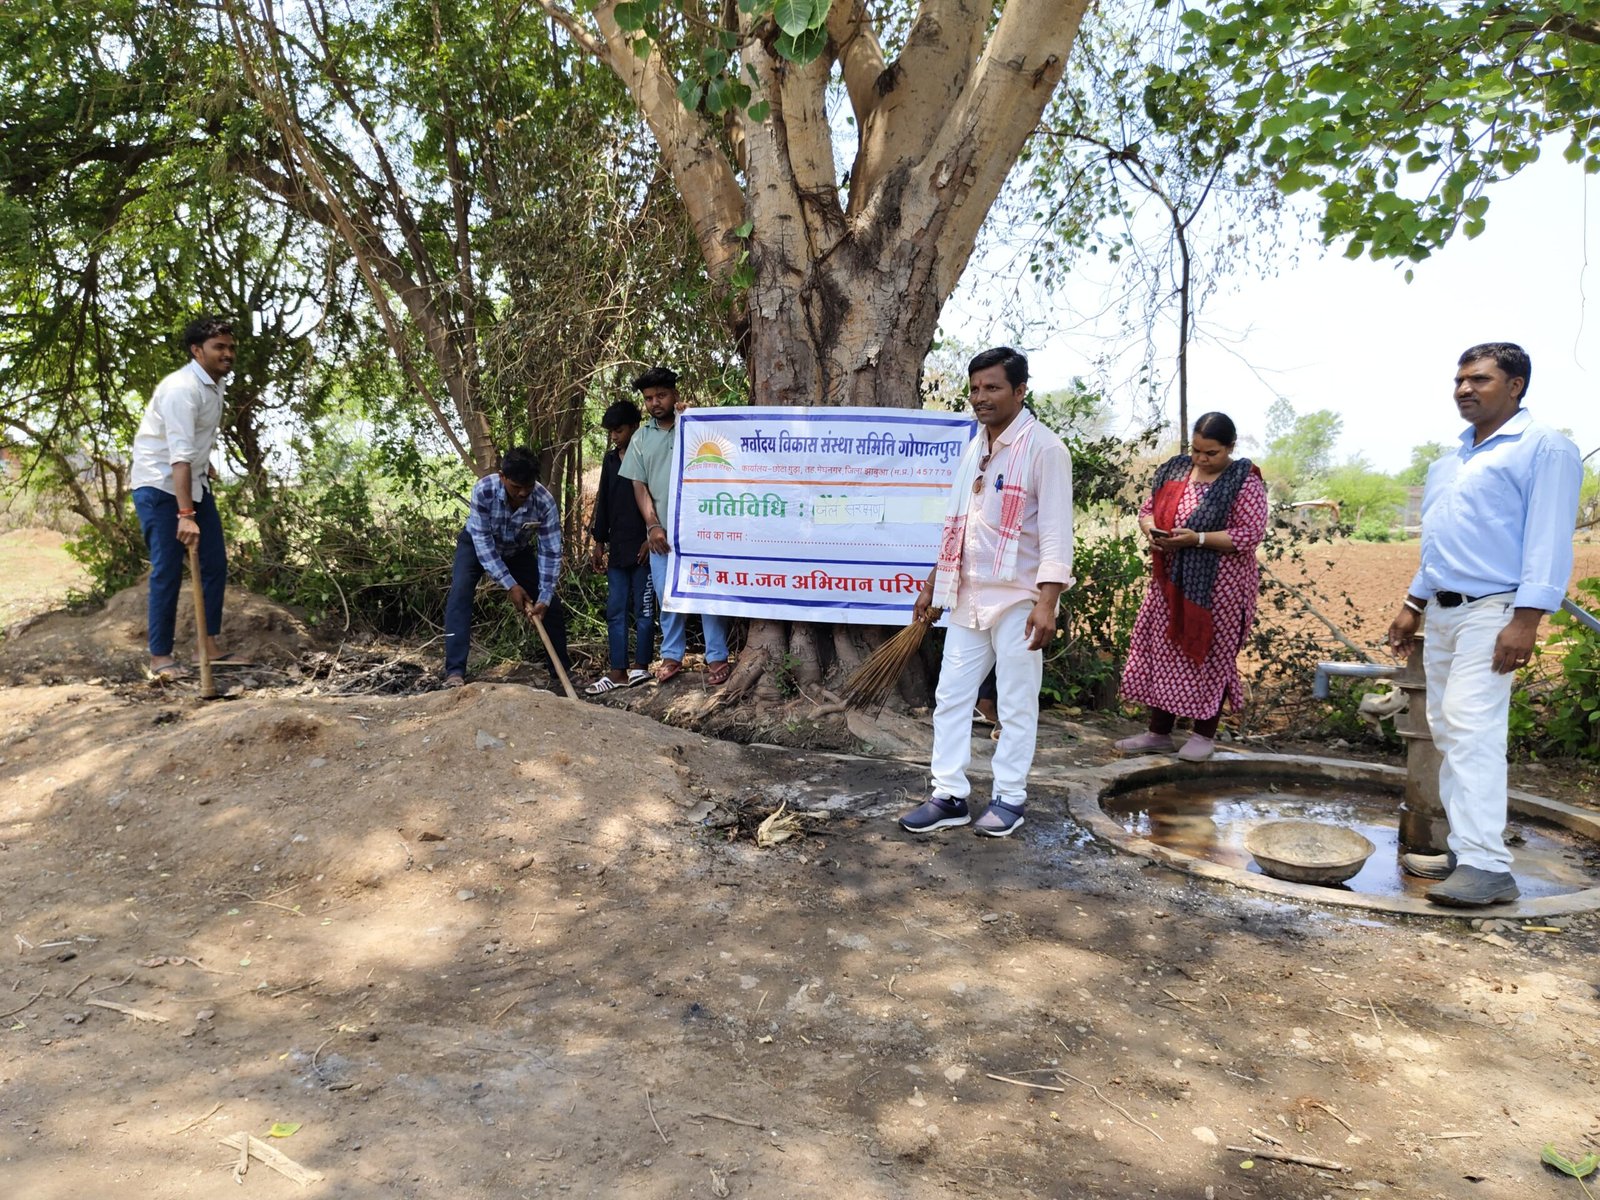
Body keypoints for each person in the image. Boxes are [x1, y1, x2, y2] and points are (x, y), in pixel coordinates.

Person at [1386, 343, 1581, 907]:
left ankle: (1487, 866)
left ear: (1516, 385)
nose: (1464, 389)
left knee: (1473, 729)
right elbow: (1441, 543)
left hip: (1496, 609)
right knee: (1450, 730)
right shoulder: (1450, 461)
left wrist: (1527, 620)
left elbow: (1547, 541)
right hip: (1445, 610)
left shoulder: (1543, 449)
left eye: (1479, 379)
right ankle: (1467, 849)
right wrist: (1413, 603)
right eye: (1459, 380)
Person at [898, 347, 1074, 839]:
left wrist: (1047, 601)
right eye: (975, 388)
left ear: (1020, 391)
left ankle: (1010, 798)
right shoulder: (975, 447)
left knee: (1016, 703)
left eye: (992, 387)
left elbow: (1058, 534)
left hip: (1020, 597)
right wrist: (935, 582)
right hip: (968, 595)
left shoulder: (1045, 449)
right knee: (951, 697)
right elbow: (960, 524)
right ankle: (949, 795)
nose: (981, 397)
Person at [1115, 413, 1269, 761]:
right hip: (1170, 580)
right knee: (1165, 650)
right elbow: (1147, 509)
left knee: (1210, 654)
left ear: (1230, 448)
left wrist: (1197, 539)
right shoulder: (1175, 470)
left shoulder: (1244, 480)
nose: (1201, 459)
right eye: (1197, 450)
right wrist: (1151, 529)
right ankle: (1158, 733)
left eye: (1211, 453)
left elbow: (1249, 534)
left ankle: (1203, 734)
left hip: (1220, 589)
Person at [130, 314, 241, 680]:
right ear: (197, 351)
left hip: (191, 479)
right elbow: (177, 454)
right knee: (167, 569)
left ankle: (205, 646)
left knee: (214, 561)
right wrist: (185, 514)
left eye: (230, 347)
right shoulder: (181, 389)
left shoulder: (214, 382)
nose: (227, 353)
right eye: (219, 347)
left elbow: (194, 440)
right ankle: (160, 658)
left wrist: (204, 463)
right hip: (160, 485)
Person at [620, 366, 731, 686]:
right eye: (648, 398)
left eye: (661, 395)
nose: (655, 403)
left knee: (709, 593)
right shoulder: (640, 438)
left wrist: (694, 418)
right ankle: (671, 656)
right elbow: (639, 487)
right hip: (663, 534)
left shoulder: (695, 424)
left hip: (703, 532)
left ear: (675, 395)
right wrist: (653, 526)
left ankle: (717, 657)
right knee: (666, 595)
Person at [442, 447, 572, 689]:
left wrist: (544, 596)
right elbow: (483, 545)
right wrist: (510, 584)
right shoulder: (484, 491)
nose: (523, 493)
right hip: (476, 545)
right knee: (460, 594)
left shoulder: (544, 502)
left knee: (551, 605)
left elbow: (550, 551)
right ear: (502, 477)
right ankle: (455, 671)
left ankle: (561, 672)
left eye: (528, 487)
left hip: (516, 550)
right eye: (515, 487)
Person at [585, 399, 654, 694]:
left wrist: (651, 537)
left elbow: (659, 498)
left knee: (645, 610)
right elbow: (605, 502)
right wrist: (598, 542)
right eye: (611, 431)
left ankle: (641, 667)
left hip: (645, 549)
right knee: (615, 610)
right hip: (618, 548)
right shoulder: (611, 460)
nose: (614, 435)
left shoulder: (649, 455)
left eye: (619, 430)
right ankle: (617, 670)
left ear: (634, 427)